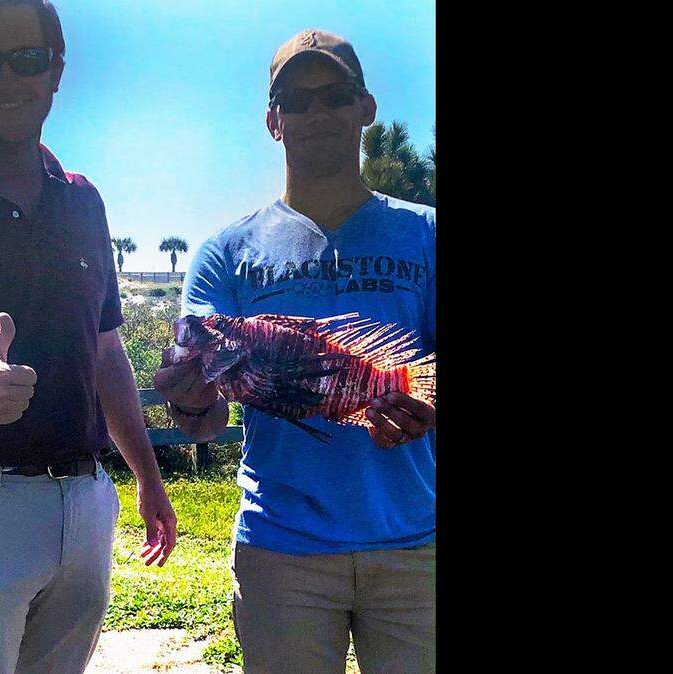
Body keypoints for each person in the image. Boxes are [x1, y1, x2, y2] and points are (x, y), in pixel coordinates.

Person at [153, 29, 437, 674]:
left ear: (365, 107)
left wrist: (424, 409)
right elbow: (205, 422)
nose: (316, 114)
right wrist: (190, 401)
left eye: (333, 96)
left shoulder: (427, 235)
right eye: (295, 101)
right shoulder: (226, 253)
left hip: (416, 543)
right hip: (280, 548)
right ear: (272, 120)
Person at [0, 1, 177, 672]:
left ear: (57, 71)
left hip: (85, 502)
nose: (9, 81)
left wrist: (147, 479)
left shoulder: (83, 200)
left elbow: (106, 352)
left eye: (28, 59)